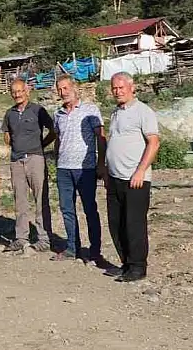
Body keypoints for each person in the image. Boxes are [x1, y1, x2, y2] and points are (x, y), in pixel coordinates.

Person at [105, 72, 160, 283]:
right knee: (116, 223)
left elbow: (153, 143)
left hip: (135, 177)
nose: (118, 91)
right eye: (114, 88)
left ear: (131, 87)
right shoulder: (116, 113)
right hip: (115, 177)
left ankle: (138, 267)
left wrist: (141, 170)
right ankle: (126, 263)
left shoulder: (143, 112)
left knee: (134, 224)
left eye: (121, 87)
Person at [53, 76, 106, 263]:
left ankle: (95, 251)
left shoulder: (90, 110)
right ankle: (72, 248)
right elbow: (58, 138)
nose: (63, 92)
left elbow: (100, 137)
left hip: (86, 168)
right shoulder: (57, 114)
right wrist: (57, 159)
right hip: (64, 169)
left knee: (90, 209)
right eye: (59, 89)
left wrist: (101, 164)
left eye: (66, 88)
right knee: (67, 209)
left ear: (75, 88)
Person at [0, 79, 57, 253]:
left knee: (40, 198)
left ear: (27, 91)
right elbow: (6, 134)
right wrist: (14, 144)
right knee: (20, 200)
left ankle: (44, 238)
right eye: (14, 92)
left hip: (35, 158)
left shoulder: (38, 110)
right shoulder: (9, 113)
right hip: (17, 160)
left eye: (20, 91)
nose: (17, 94)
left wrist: (41, 145)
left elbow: (53, 130)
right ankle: (21, 237)